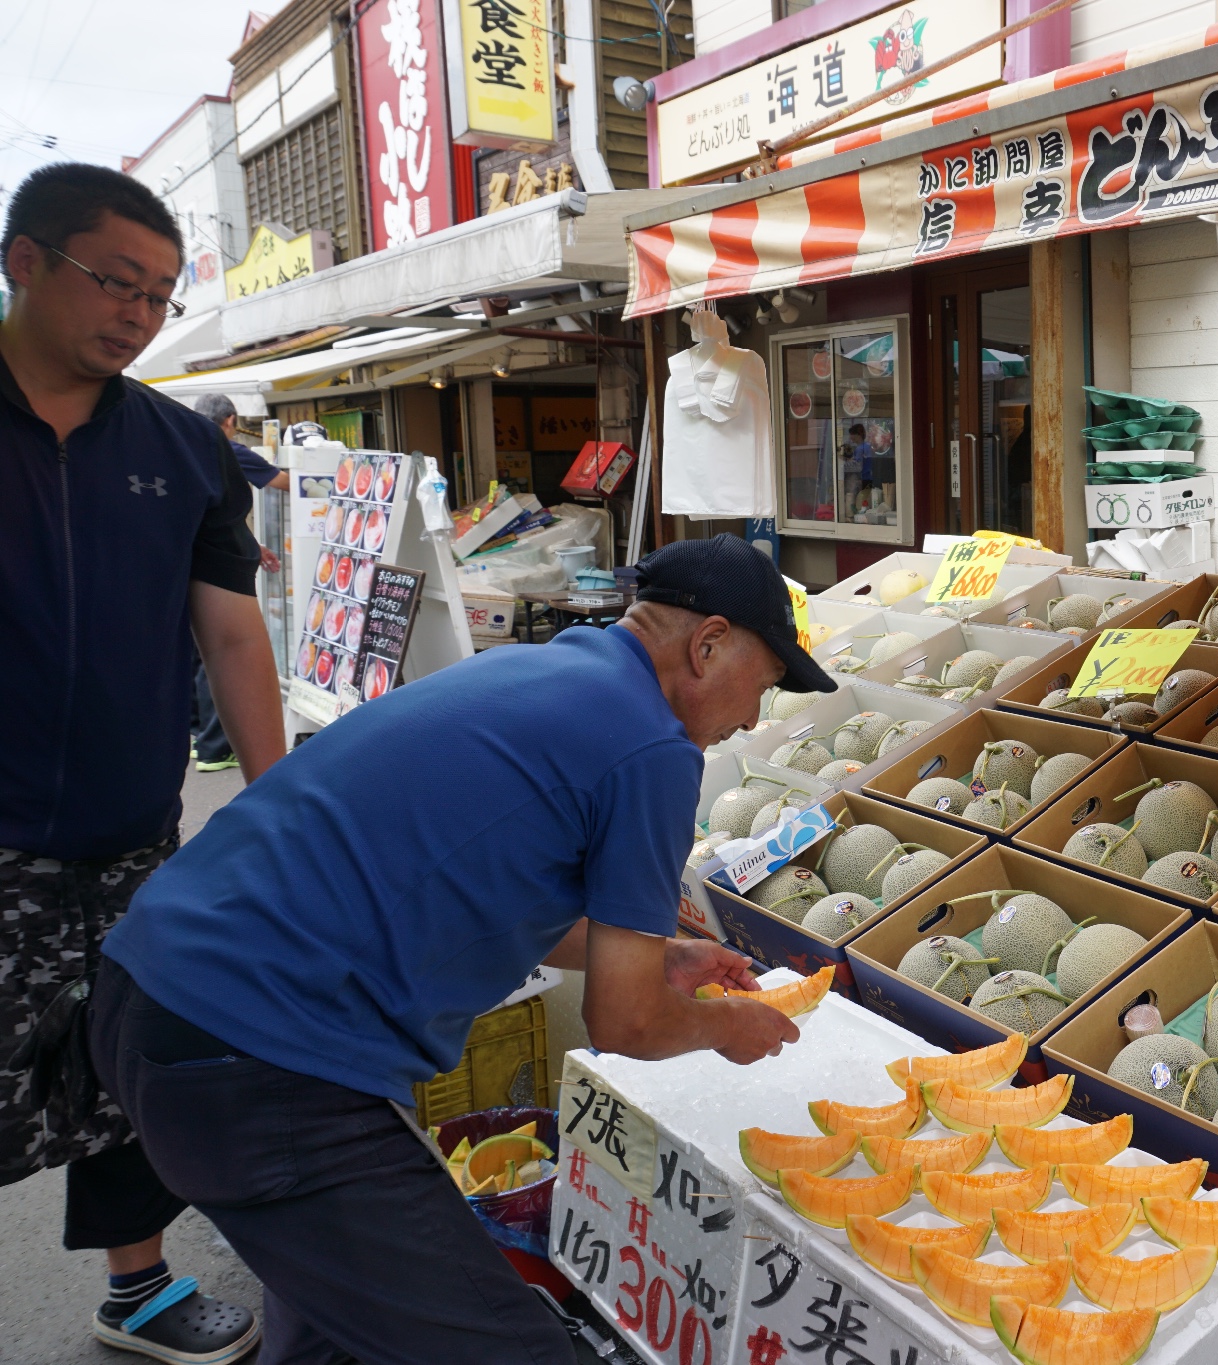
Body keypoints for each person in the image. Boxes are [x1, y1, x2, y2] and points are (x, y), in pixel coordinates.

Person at [96, 534, 835, 1364]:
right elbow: (625, 1024)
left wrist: (661, 962)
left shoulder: (545, 674)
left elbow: (494, 892)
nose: (753, 720)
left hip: (150, 996)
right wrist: (726, 1026)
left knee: (329, 1332)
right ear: (707, 645)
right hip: (261, 1058)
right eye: (763, 686)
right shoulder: (652, 745)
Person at [0, 163, 282, 1363]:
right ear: (25, 261)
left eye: (159, 295)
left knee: (134, 1054)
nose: (134, 312)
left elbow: (229, 627)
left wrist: (284, 799)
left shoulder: (183, 448)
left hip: (129, 830)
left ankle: (141, 1289)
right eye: (114, 280)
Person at [187, 393, 284, 773]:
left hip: (188, 565)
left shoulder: (182, 443)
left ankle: (202, 740)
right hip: (213, 572)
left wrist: (250, 544)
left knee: (200, 656)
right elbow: (285, 482)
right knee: (221, 651)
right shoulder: (222, 449)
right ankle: (214, 748)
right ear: (229, 420)